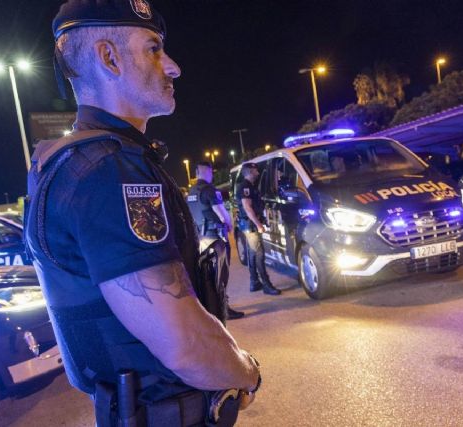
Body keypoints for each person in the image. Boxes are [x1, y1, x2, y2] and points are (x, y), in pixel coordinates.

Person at [24, 1, 260, 425]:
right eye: (153, 48)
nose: (172, 67)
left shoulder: (69, 160)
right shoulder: (108, 169)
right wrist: (248, 372)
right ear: (107, 57)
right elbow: (184, 343)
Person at [186, 161, 245, 320]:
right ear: (208, 172)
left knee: (208, 276)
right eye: (211, 173)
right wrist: (229, 224)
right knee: (221, 276)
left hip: (200, 238)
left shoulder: (191, 192)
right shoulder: (210, 191)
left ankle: (211, 308)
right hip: (215, 238)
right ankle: (223, 309)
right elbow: (221, 212)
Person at [235, 163, 282, 296]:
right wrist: (258, 224)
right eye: (255, 170)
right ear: (250, 171)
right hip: (251, 225)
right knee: (259, 254)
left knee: (252, 254)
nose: (258, 172)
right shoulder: (245, 187)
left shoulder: (249, 186)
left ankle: (254, 282)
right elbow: (248, 207)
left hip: (250, 225)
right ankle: (266, 285)